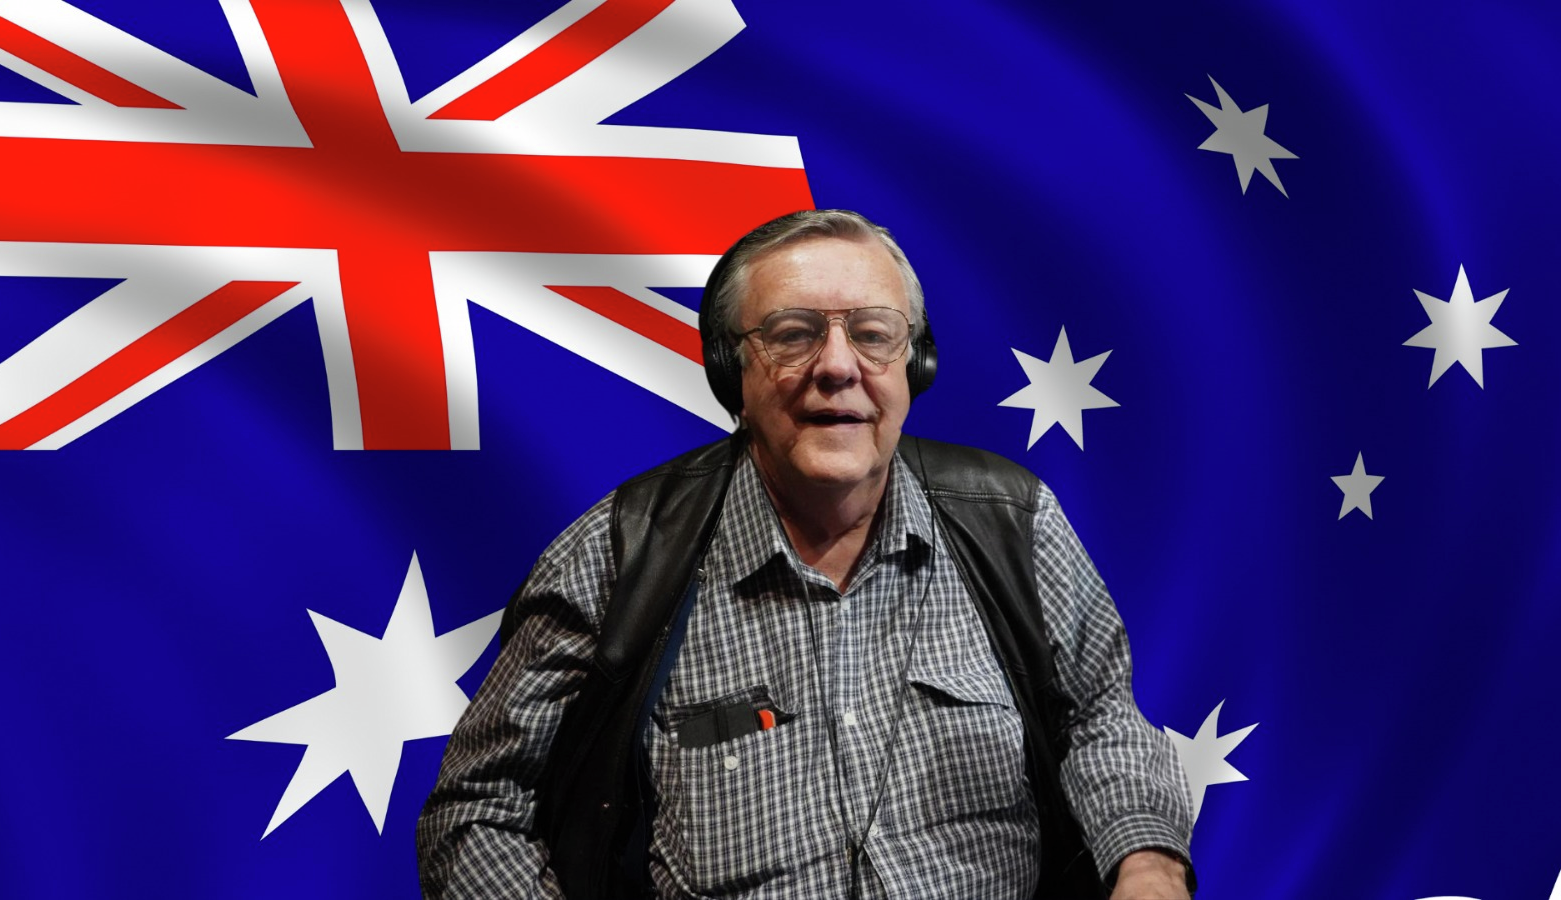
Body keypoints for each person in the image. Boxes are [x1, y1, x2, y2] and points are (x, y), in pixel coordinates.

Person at [418, 210, 1194, 899]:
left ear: (915, 365)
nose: (838, 366)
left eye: (873, 334)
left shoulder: (1012, 520)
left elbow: (1101, 718)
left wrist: (1148, 864)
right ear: (732, 372)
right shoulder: (618, 554)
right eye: (793, 334)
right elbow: (477, 808)